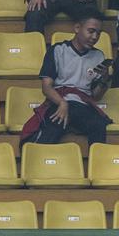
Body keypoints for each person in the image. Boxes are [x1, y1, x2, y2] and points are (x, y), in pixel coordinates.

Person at [24, 8, 112, 145]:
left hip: (82, 106)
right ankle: (40, 160)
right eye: (91, 31)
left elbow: (95, 96)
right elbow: (46, 87)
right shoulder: (58, 50)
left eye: (98, 33)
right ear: (77, 28)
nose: (95, 37)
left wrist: (104, 79)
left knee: (98, 125)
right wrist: (62, 103)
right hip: (60, 101)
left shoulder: (99, 56)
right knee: (54, 124)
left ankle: (97, 164)